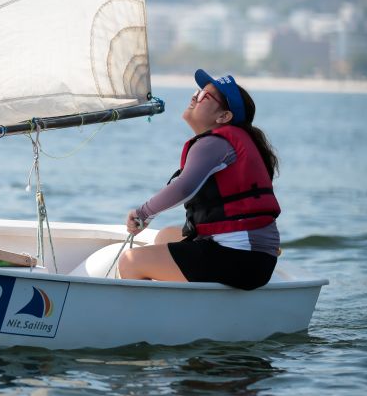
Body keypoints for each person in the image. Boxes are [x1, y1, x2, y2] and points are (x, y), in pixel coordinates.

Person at [118, 69, 281, 290]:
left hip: (242, 259)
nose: (195, 97)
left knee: (130, 262)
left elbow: (184, 187)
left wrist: (142, 214)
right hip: (255, 259)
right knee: (165, 236)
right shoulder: (227, 142)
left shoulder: (215, 143)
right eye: (197, 91)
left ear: (224, 117)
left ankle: (147, 321)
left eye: (205, 96)